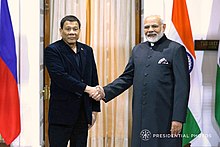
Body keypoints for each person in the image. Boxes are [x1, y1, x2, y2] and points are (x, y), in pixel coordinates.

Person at [93, 15, 190, 147]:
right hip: (141, 115)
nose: (150, 30)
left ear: (163, 27)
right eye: (147, 27)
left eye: (154, 26)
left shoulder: (176, 49)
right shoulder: (138, 49)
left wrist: (178, 118)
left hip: (165, 116)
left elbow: (182, 87)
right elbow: (127, 77)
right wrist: (105, 91)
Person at [44, 15, 101, 147]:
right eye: (68, 29)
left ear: (79, 31)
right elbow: (61, 78)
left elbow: (93, 78)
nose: (72, 32)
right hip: (60, 116)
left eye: (75, 29)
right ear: (61, 31)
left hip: (82, 114)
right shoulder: (53, 50)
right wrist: (87, 88)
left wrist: (94, 110)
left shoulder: (87, 50)